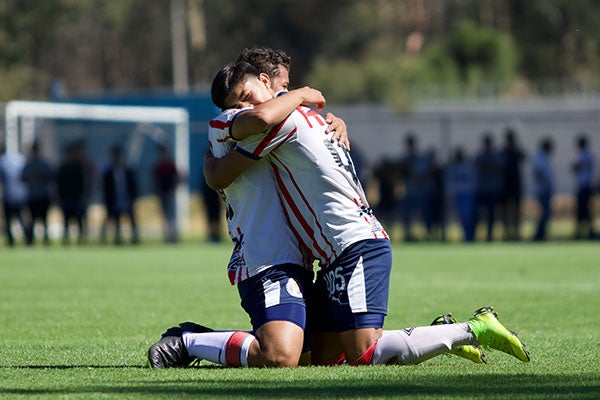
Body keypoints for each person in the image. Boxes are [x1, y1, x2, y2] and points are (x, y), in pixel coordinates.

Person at [201, 61, 529, 367]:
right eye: (236, 105)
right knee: (325, 356)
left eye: (247, 97)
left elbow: (236, 152)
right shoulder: (312, 116)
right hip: (340, 251)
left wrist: (212, 164)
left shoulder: (282, 121)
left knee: (365, 352)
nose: (245, 108)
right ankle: (438, 333)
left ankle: (471, 329)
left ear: (265, 82)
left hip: (351, 244)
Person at [149, 47, 350, 369]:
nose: (248, 102)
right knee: (280, 357)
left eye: (286, 84)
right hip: (264, 259)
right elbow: (260, 121)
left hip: (300, 260)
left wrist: (333, 123)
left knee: (319, 356)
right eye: (241, 97)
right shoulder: (232, 119)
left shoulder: (285, 114)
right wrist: (301, 96)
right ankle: (188, 340)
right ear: (264, 79)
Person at [101, 146, 139, 245]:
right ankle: (117, 240)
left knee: (132, 220)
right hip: (114, 202)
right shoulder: (108, 174)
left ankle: (134, 239)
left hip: (127, 201)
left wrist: (133, 199)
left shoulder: (128, 172)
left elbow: (134, 187)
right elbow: (105, 190)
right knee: (114, 221)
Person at [56, 142, 90, 244]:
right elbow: (58, 184)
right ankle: (66, 239)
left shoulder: (79, 167)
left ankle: (81, 239)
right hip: (66, 198)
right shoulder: (63, 168)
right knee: (66, 220)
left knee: (79, 219)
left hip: (77, 197)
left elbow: (85, 183)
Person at [21, 142, 53, 245]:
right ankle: (30, 240)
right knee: (32, 220)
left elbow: (50, 178)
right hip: (33, 197)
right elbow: (22, 178)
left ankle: (45, 240)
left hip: (42, 196)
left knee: (44, 220)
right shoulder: (29, 165)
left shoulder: (43, 165)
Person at [0, 146, 32, 246]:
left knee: (10, 220)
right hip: (22, 194)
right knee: (22, 219)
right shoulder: (20, 158)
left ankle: (11, 241)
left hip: (10, 195)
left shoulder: (2, 161)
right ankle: (27, 240)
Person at [474, 133, 504, 242]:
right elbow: (477, 166)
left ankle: (490, 235)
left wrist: (486, 166)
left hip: (493, 190)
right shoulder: (479, 155)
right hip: (482, 189)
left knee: (492, 215)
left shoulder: (496, 156)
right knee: (478, 214)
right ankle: (474, 236)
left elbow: (499, 167)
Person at [446, 148, 477, 242]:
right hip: (458, 194)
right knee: (462, 217)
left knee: (468, 216)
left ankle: (470, 236)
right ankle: (467, 236)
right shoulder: (452, 167)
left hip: (467, 194)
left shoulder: (467, 166)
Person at [500, 128, 526, 241]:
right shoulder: (503, 151)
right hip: (506, 184)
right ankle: (507, 232)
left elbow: (524, 156)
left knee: (516, 210)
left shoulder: (515, 151)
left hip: (515, 184)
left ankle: (515, 231)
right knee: (505, 210)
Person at [152, 144, 179, 243]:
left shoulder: (170, 165)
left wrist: (173, 190)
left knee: (171, 215)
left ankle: (173, 236)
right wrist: (157, 192)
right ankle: (167, 236)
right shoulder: (158, 166)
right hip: (162, 193)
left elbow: (176, 178)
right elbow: (155, 181)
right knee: (164, 216)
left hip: (170, 193)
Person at [571, 134, 596, 240]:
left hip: (583, 185)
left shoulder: (584, 154)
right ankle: (589, 231)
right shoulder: (590, 154)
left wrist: (574, 166)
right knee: (586, 210)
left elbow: (577, 167)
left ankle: (581, 232)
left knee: (582, 210)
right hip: (587, 185)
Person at [532, 138, 555, 241]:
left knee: (546, 213)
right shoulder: (539, 156)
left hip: (545, 189)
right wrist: (545, 185)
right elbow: (538, 172)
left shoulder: (544, 156)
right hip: (542, 190)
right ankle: (539, 235)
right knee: (544, 213)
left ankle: (541, 234)